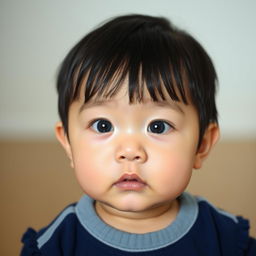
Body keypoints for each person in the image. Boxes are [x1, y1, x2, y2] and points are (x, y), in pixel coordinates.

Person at [21, 14, 256, 255]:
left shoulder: (226, 238)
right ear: (68, 143)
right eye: (103, 125)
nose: (130, 151)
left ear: (202, 145)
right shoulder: (53, 246)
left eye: (158, 126)